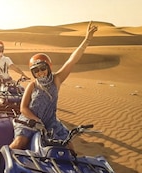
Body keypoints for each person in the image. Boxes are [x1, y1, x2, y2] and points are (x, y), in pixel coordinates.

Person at [9, 21, 98, 152]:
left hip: (50, 122)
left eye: (42, 68)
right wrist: (36, 120)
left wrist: (87, 40)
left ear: (48, 67)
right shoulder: (32, 85)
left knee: (69, 147)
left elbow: (71, 61)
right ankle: (2, 163)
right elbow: (23, 108)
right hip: (30, 121)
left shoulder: (57, 79)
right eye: (36, 70)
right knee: (19, 143)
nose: (40, 72)